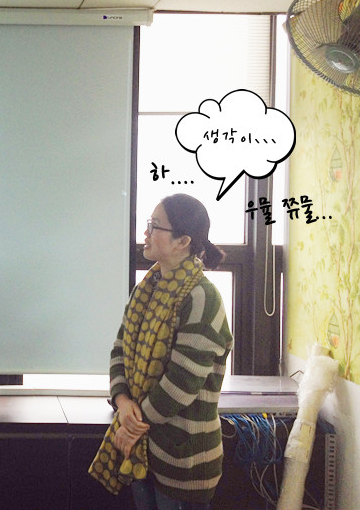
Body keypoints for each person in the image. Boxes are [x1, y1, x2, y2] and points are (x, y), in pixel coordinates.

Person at [89, 193, 233, 510]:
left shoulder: (202, 297)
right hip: (143, 452)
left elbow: (182, 383)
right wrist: (122, 401)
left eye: (155, 226)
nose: (146, 232)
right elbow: (120, 349)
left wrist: (132, 425)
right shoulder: (147, 288)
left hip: (183, 461)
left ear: (183, 241)